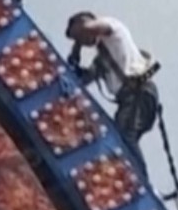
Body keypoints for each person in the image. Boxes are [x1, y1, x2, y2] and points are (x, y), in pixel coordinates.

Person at [65, 11, 161, 163]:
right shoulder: (101, 61)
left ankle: (141, 178)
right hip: (129, 99)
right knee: (122, 137)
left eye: (80, 37)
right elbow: (82, 80)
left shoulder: (113, 29)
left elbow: (92, 27)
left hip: (139, 91)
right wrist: (75, 52)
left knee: (124, 135)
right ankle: (133, 169)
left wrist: (80, 32)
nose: (83, 41)